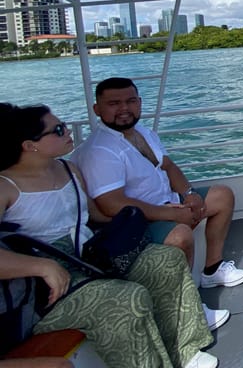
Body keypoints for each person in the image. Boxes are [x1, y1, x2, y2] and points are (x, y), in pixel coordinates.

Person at [0, 102, 217, 368]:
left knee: (166, 260)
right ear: (29, 145)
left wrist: (154, 213)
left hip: (91, 258)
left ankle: (184, 349)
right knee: (126, 299)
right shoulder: (5, 188)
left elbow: (97, 216)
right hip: (46, 291)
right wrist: (42, 266)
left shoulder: (69, 170)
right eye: (58, 130)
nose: (68, 131)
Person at [72, 77, 243, 330]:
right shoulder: (100, 151)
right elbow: (112, 205)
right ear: (97, 109)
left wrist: (189, 194)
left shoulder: (143, 132)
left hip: (167, 201)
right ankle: (188, 309)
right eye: (114, 103)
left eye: (131, 101)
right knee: (180, 236)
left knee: (222, 196)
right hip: (134, 220)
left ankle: (212, 269)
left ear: (140, 103)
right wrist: (171, 214)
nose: (124, 108)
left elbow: (167, 166)